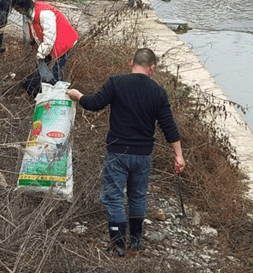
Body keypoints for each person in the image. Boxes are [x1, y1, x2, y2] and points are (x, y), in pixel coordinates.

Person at [66, 48, 185, 257]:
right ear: (152, 68)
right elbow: (169, 127)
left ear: (131, 62)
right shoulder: (158, 91)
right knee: (137, 196)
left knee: (113, 197)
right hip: (143, 155)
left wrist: (79, 96)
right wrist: (178, 155)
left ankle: (118, 244)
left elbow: (95, 104)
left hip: (118, 152)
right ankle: (136, 243)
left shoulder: (116, 82)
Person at [13, 0, 79, 96]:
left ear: (24, 7)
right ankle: (39, 92)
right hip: (52, 44)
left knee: (57, 73)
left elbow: (49, 37)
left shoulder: (44, 13)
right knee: (42, 68)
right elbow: (36, 31)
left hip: (64, 43)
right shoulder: (31, 13)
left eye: (19, 9)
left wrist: (42, 53)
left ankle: (58, 96)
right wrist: (34, 43)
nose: (18, 12)